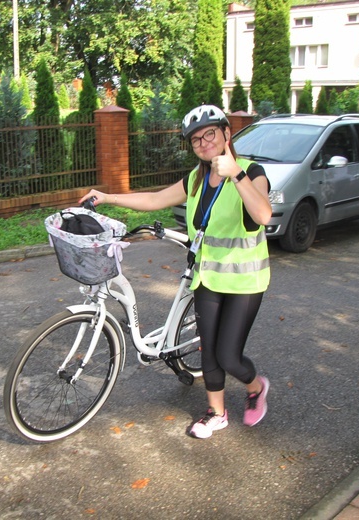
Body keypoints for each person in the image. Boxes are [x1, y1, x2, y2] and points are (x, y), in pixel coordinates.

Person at [80, 105, 273, 439]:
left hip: (245, 280)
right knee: (209, 350)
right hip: (207, 277)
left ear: (227, 133)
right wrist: (107, 196)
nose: (203, 142)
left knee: (229, 355)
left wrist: (235, 174)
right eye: (195, 139)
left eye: (210, 133)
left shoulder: (252, 172)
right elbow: (155, 199)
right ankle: (217, 413)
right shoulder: (196, 179)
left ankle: (256, 386)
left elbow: (263, 215)